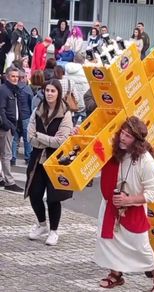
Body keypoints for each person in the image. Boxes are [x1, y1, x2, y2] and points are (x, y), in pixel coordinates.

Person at [94, 116, 154, 291]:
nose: (122, 138)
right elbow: (90, 147)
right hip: (111, 205)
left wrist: (129, 200)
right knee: (110, 241)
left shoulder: (145, 160)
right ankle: (116, 273)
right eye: (122, 133)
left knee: (139, 245)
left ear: (136, 141)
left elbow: (153, 192)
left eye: (128, 136)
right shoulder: (115, 151)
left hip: (133, 208)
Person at [25, 79, 73, 246]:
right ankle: (41, 224)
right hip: (37, 159)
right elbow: (30, 136)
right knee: (34, 193)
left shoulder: (65, 113)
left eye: (53, 91)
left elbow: (61, 141)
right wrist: (43, 139)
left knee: (54, 198)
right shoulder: (38, 110)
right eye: (47, 90)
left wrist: (40, 136)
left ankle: (54, 231)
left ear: (58, 93)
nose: (49, 93)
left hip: (56, 161)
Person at [0, 66, 24, 194]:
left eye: (17, 77)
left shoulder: (13, 90)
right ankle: (9, 181)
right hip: (6, 127)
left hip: (9, 125)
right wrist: (8, 125)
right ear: (7, 77)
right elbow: (1, 109)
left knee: (3, 154)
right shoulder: (5, 90)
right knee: (6, 155)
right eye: (13, 76)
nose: (15, 79)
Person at [11, 70, 33, 166]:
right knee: (26, 138)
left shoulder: (12, 88)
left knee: (15, 138)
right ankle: (28, 157)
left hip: (15, 116)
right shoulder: (27, 89)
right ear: (23, 78)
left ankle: (13, 157)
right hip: (25, 116)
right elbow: (31, 103)